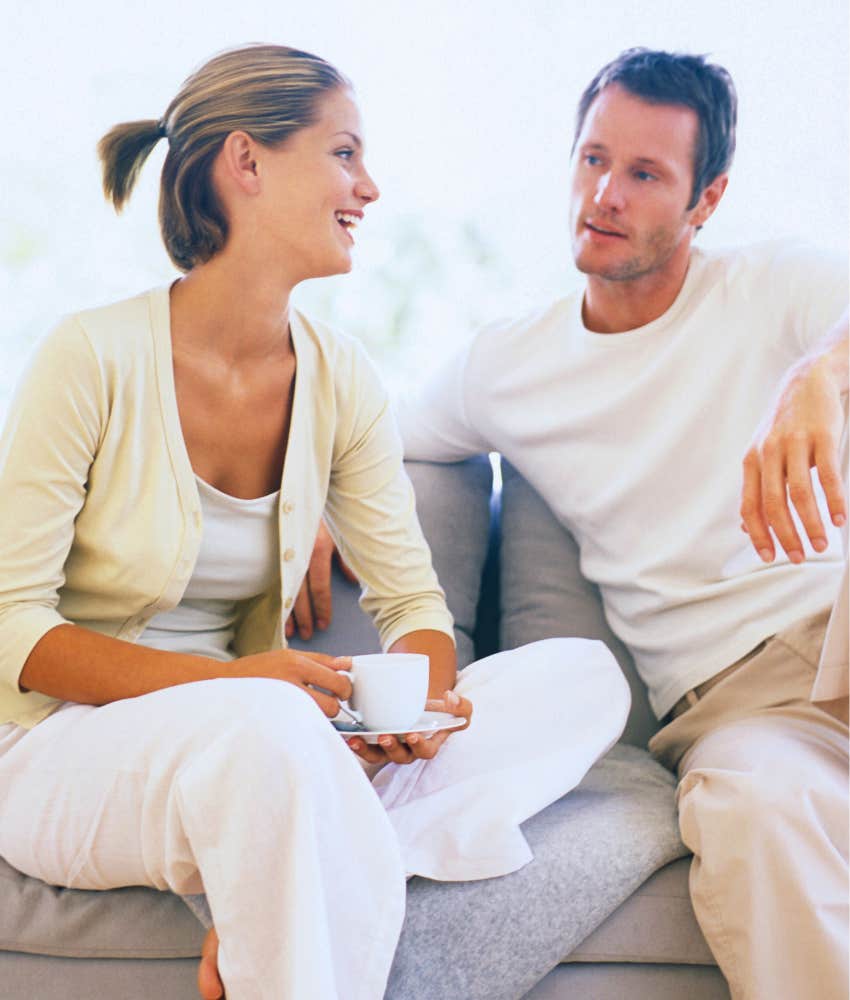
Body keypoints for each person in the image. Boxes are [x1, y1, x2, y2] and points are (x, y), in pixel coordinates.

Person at [0, 44, 629, 1000]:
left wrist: (416, 713)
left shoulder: (339, 378)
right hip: (65, 748)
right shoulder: (89, 357)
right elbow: (14, 627)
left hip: (264, 748)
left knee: (580, 680)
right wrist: (237, 683)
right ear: (245, 164)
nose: (369, 187)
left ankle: (296, 865)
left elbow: (414, 601)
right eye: (344, 154)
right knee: (270, 727)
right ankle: (304, 858)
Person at [302, 48, 849, 1000]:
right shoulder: (508, 366)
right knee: (754, 811)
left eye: (645, 174)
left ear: (706, 200)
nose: (606, 193)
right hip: (740, 708)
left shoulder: (775, 288)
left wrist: (820, 380)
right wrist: (308, 495)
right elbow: (372, 440)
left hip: (836, 627)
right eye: (593, 160)